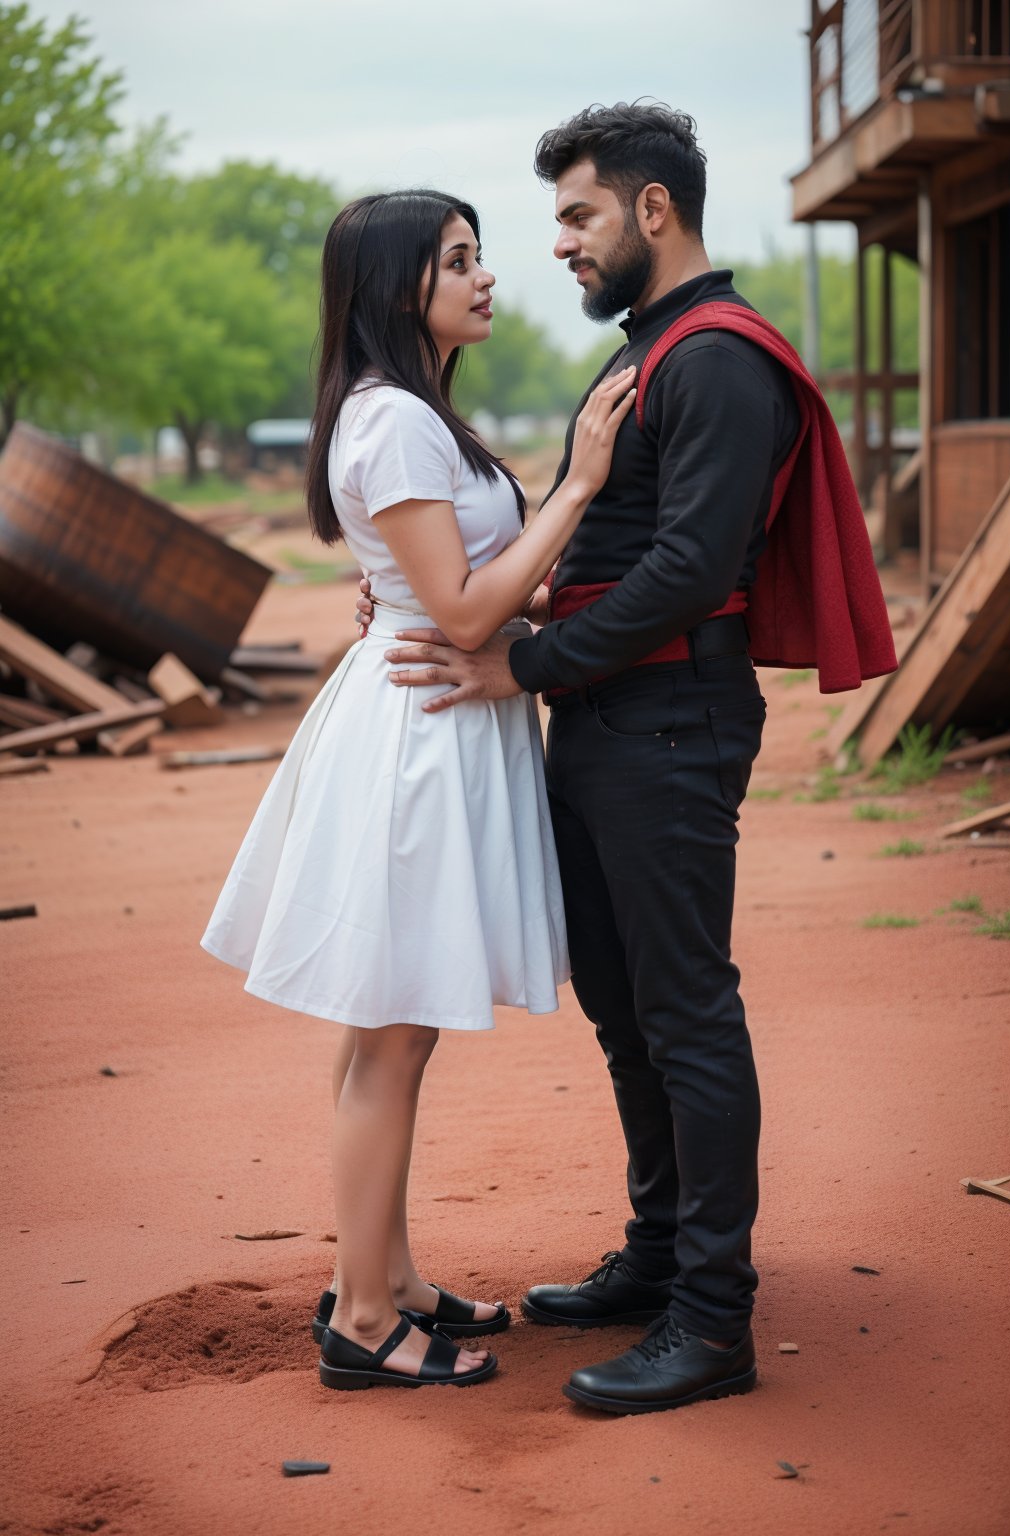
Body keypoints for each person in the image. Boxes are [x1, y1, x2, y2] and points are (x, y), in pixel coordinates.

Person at [369, 103, 896, 1415]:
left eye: (577, 215)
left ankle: (713, 1321)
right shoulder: (652, 348)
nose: (556, 244)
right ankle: (664, 1258)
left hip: (669, 724)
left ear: (652, 211)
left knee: (688, 1015)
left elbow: (686, 571)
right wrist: (475, 609)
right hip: (606, 722)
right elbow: (612, 552)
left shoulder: (717, 359)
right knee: (625, 1007)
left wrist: (520, 663)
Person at [201, 188, 636, 1393]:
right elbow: (456, 611)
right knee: (391, 1037)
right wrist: (580, 486)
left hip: (429, 721)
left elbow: (453, 581)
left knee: (394, 1030)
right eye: (458, 261)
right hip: (419, 735)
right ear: (402, 290)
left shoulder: (410, 413)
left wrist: (503, 577)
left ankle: (384, 1276)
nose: (487, 276)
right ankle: (358, 1315)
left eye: (480, 255)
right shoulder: (394, 420)